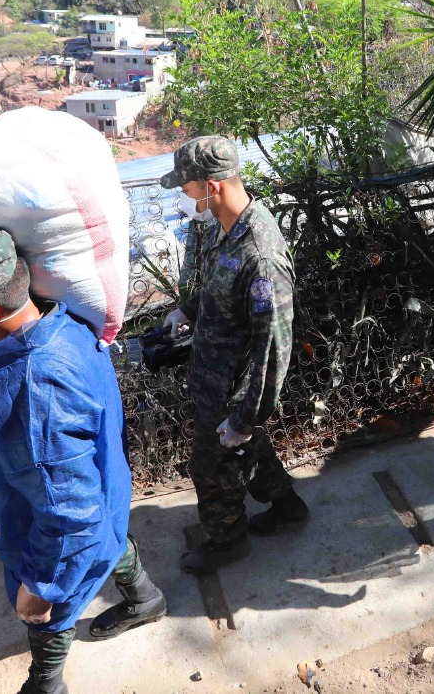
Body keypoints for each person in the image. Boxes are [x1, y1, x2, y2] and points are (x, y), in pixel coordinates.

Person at [0, 228, 165, 694]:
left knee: (46, 597)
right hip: (105, 485)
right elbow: (84, 500)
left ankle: (46, 682)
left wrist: (42, 587)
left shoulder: (34, 390)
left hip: (51, 514)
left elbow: (68, 514)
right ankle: (146, 598)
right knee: (106, 536)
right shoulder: (64, 322)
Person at [158, 136, 305, 574]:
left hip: (233, 386)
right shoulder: (226, 227)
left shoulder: (261, 254)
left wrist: (246, 416)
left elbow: (274, 346)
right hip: (214, 374)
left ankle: (226, 542)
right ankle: (287, 507)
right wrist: (187, 308)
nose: (184, 199)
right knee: (247, 451)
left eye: (186, 189)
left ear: (212, 186)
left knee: (210, 465)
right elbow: (222, 285)